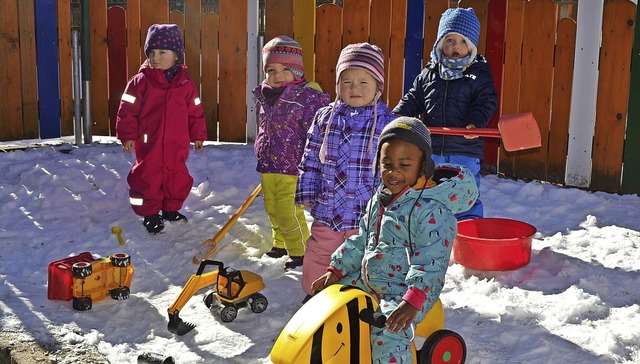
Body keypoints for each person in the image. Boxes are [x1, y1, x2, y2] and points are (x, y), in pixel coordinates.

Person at [311, 117, 479, 364]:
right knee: (333, 306)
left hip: (406, 290)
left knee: (389, 334)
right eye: (386, 164)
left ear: (424, 167)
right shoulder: (380, 200)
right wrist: (337, 268)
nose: (393, 172)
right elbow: (362, 240)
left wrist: (413, 301)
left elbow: (431, 263)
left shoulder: (432, 211)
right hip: (369, 280)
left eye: (404, 165)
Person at [295, 43, 396, 287]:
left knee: (361, 259)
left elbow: (392, 169)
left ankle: (355, 300)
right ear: (338, 84)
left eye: (364, 82)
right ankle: (315, 295)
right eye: (347, 81)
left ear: (378, 87)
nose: (355, 88)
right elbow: (310, 157)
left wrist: (390, 201)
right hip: (328, 207)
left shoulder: (388, 122)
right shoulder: (325, 117)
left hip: (366, 212)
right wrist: (307, 190)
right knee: (319, 253)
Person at [393, 7, 497, 220]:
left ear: (471, 47)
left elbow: (486, 101)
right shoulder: (429, 73)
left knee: (464, 192)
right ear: (440, 43)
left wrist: (475, 123)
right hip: (432, 148)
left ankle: (468, 229)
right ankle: (431, 227)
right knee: (430, 189)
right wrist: (398, 117)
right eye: (450, 40)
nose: (455, 47)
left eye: (462, 42)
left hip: (464, 149)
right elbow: (414, 98)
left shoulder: (478, 73)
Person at [116, 24, 207, 234]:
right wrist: (127, 135)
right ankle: (149, 213)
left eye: (162, 52)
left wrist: (198, 135)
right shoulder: (140, 82)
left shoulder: (185, 83)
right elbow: (127, 110)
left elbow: (194, 110)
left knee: (177, 175)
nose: (156, 57)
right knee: (148, 175)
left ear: (176, 56)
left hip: (177, 142)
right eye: (152, 53)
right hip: (149, 141)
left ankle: (170, 209)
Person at [252, 35, 330, 269]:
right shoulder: (265, 96)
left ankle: (301, 250)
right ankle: (282, 244)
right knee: (272, 208)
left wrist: (315, 161)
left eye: (285, 69)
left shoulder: (307, 97)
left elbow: (317, 129)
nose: (277, 76)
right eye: (271, 70)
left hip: (293, 165)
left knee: (288, 210)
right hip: (268, 164)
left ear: (297, 70)